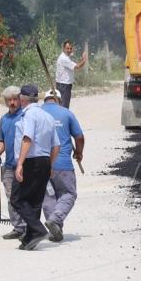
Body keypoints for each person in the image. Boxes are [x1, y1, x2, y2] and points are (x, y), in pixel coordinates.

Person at [12, 84, 60, 251]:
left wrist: (20, 164)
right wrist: (50, 164)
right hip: (45, 161)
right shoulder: (48, 117)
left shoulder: (30, 115)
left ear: (22, 99)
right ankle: (30, 238)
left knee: (17, 198)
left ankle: (38, 230)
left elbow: (27, 138)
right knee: (34, 202)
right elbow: (56, 145)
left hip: (31, 161)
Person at [41, 89, 85, 242]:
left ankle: (55, 230)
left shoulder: (37, 113)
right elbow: (79, 137)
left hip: (40, 164)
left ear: (45, 99)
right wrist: (79, 153)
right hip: (62, 164)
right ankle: (55, 219)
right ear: (59, 100)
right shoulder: (66, 113)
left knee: (48, 196)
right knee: (68, 194)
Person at [0, 85, 26, 240]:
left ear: (20, 100)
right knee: (11, 198)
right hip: (9, 165)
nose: (12, 102)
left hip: (24, 165)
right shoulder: (3, 120)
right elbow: (2, 142)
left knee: (24, 197)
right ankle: (18, 228)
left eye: (15, 99)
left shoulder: (25, 116)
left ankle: (28, 226)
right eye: (9, 100)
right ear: (5, 102)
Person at [55, 40, 87, 108]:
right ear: (63, 49)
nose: (69, 50)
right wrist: (84, 60)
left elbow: (75, 64)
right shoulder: (64, 58)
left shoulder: (66, 57)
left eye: (70, 48)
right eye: (67, 48)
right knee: (64, 106)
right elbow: (77, 66)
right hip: (63, 85)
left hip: (64, 85)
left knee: (63, 105)